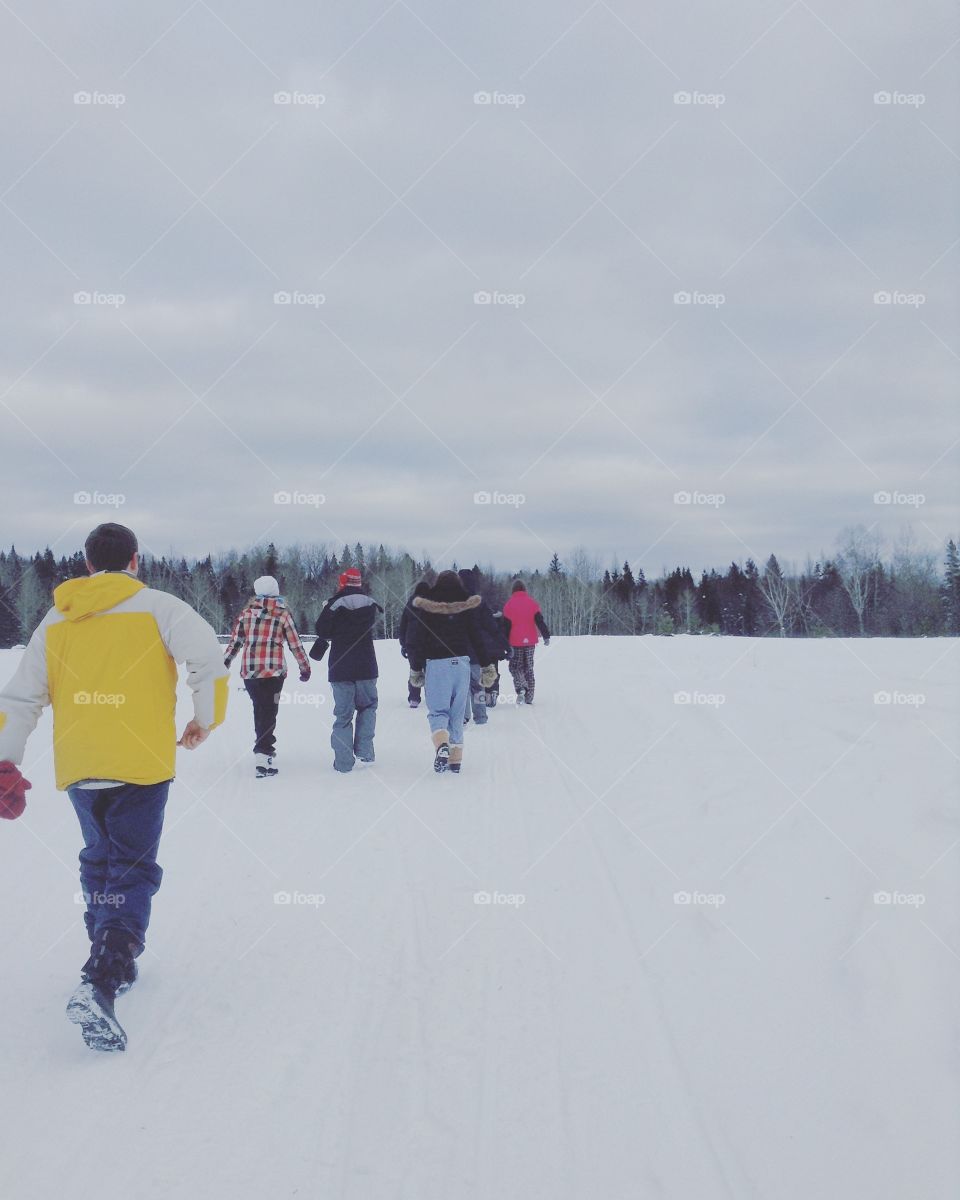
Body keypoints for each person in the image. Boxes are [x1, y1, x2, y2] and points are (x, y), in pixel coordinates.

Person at [0, 523, 228, 1052]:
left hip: (81, 764)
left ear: (87, 564)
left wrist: (4, 760)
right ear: (134, 560)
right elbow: (208, 659)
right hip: (141, 762)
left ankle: (107, 948)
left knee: (100, 858)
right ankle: (104, 975)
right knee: (132, 866)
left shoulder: (57, 617)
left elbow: (20, 698)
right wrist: (205, 719)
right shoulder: (160, 607)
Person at [406, 571, 498, 774]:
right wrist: (486, 666)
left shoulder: (427, 607)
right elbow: (477, 638)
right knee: (457, 714)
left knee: (438, 711)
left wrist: (416, 668)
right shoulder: (466, 606)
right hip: (462, 664)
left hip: (437, 664)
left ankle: (442, 745)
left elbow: (418, 640)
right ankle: (455, 761)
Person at [223, 575, 311, 778]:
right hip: (274, 672)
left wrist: (224, 663)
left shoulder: (246, 614)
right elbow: (295, 644)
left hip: (250, 671)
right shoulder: (283, 614)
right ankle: (263, 754)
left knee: (260, 709)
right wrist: (305, 667)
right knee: (269, 711)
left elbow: (235, 643)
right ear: (276, 592)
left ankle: (264, 750)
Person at [314, 568, 381, 773]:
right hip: (366, 666)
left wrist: (329, 609)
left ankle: (343, 763)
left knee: (343, 715)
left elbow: (322, 630)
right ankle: (365, 752)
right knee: (368, 707)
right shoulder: (371, 604)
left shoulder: (334, 604)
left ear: (342, 583)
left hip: (341, 667)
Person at [457, 568, 510, 725]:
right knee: (477, 686)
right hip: (475, 652)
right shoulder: (479, 603)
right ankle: (480, 716)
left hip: (457, 652)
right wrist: (506, 645)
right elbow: (492, 628)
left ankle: (463, 716)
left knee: (461, 687)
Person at [502, 579, 551, 705]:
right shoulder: (532, 603)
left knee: (515, 667)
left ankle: (521, 687)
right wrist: (546, 635)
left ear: (513, 590)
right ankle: (529, 697)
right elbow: (539, 621)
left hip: (515, 642)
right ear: (524, 589)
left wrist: (504, 644)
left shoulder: (509, 605)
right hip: (530, 642)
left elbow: (506, 627)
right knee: (529, 668)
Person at [398, 579, 432, 708]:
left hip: (412, 644)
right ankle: (431, 697)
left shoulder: (410, 604)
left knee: (415, 670)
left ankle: (414, 698)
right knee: (430, 672)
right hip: (429, 644)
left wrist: (403, 644)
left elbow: (403, 625)